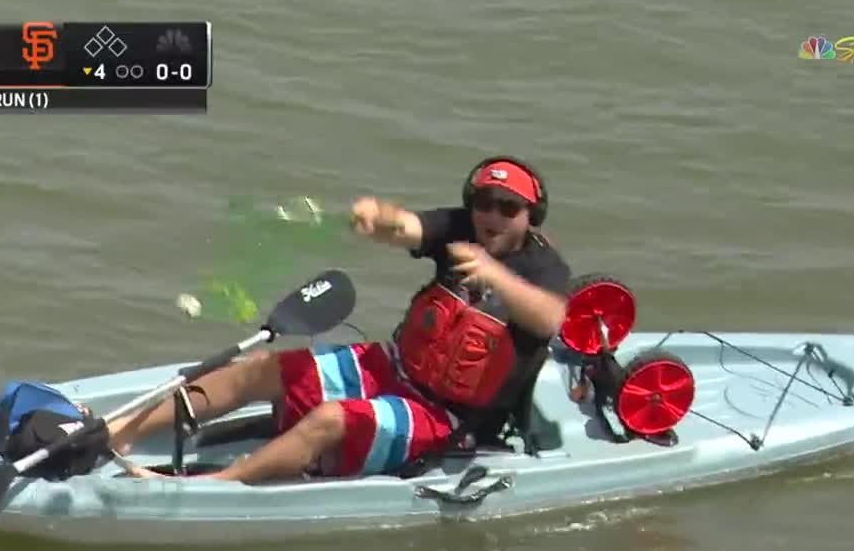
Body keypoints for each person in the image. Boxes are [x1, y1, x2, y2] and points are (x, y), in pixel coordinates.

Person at [106, 156, 572, 483]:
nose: (491, 216)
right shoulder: (461, 229)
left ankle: (219, 484)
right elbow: (407, 225)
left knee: (329, 419)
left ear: (531, 216)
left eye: (508, 208)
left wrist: (496, 277)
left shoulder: (544, 270)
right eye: (484, 203)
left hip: (449, 418)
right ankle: (119, 433)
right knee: (261, 368)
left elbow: (552, 318)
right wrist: (379, 217)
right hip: (392, 368)